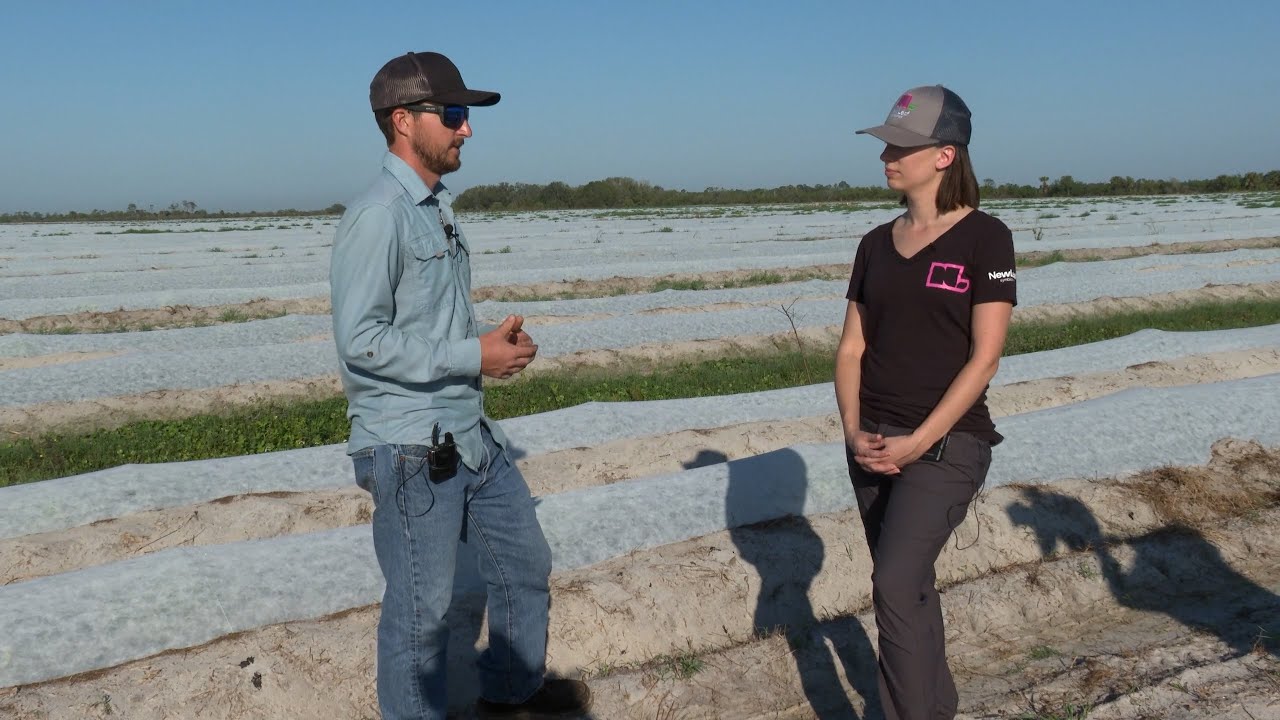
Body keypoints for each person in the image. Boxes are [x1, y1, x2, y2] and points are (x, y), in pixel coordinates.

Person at [329, 51, 591, 720]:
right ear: (402, 120)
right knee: (421, 614)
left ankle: (510, 694)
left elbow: (428, 321)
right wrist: (470, 354)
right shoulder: (378, 216)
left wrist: (490, 346)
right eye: (453, 115)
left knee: (524, 562)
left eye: (465, 115)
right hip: (412, 445)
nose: (465, 129)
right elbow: (361, 341)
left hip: (467, 434)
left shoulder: (436, 209)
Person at [834, 85, 1017, 720]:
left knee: (893, 582)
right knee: (908, 589)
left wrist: (920, 441)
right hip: (872, 439)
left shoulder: (985, 240)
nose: (887, 154)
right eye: (885, 143)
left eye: (901, 146)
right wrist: (855, 431)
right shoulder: (874, 245)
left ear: (945, 155)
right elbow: (853, 348)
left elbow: (984, 358)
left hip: (948, 442)